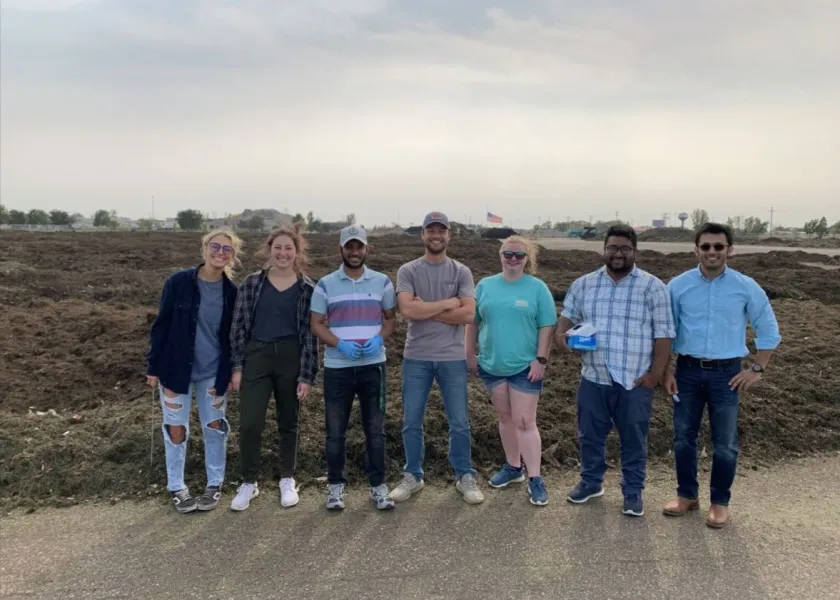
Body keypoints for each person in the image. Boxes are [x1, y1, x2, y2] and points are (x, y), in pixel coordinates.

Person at [662, 222, 781, 528]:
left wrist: (757, 368)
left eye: (718, 246)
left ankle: (720, 502)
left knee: (725, 442)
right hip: (686, 371)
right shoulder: (678, 286)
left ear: (730, 250)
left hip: (726, 374)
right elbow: (665, 330)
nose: (712, 252)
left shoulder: (745, 287)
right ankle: (687, 496)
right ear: (696, 250)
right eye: (706, 246)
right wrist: (666, 370)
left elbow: (767, 326)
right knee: (682, 438)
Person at [555, 225, 675, 517]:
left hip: (635, 380)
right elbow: (565, 321)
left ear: (634, 251)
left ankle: (632, 491)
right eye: (612, 248)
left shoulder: (652, 286)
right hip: (594, 377)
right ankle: (591, 482)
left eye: (624, 248)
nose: (618, 253)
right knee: (590, 435)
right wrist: (564, 340)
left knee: (634, 438)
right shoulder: (584, 284)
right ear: (604, 250)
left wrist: (655, 375)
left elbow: (664, 334)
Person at [389, 211, 484, 504]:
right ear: (423, 235)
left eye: (441, 231)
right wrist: (448, 304)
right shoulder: (408, 270)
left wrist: (427, 308)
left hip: (452, 358)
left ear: (448, 235)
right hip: (416, 356)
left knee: (459, 421)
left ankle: (464, 475)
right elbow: (407, 311)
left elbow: (468, 314)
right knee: (411, 420)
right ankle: (413, 476)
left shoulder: (461, 271)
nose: (436, 235)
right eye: (431, 230)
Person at [145, 229, 241, 513]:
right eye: (215, 246)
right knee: (176, 428)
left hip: (213, 371)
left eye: (227, 249)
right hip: (176, 370)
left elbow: (233, 337)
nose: (220, 253)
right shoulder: (178, 283)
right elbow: (161, 325)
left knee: (215, 427)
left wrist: (232, 371)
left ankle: (214, 484)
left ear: (232, 256)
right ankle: (177, 487)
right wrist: (154, 366)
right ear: (204, 248)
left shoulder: (231, 292)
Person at [228, 225, 319, 512]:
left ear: (297, 252)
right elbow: (239, 327)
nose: (283, 253)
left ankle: (287, 478)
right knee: (250, 421)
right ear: (269, 250)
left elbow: (310, 334)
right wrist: (237, 367)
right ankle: (248, 481)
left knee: (289, 420)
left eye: (288, 248)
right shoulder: (253, 284)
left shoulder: (307, 288)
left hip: (291, 356)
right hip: (257, 354)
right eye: (278, 248)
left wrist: (307, 375)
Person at [310, 225, 397, 511]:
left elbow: (390, 320)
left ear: (367, 249)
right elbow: (316, 324)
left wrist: (379, 339)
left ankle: (378, 486)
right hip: (338, 368)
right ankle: (336, 487)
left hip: (374, 367)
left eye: (359, 247)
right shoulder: (325, 284)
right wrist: (338, 344)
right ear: (341, 250)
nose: (355, 252)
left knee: (375, 429)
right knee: (336, 431)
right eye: (350, 247)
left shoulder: (382, 282)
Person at [466, 235, 557, 506]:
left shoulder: (537, 288)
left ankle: (535, 478)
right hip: (492, 365)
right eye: (508, 254)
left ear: (527, 259)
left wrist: (540, 359)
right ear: (500, 255)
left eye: (519, 255)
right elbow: (472, 322)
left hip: (524, 366)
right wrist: (468, 353)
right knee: (505, 418)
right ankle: (513, 467)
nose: (513, 259)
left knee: (525, 421)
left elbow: (547, 326)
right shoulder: (485, 286)